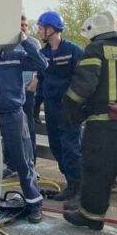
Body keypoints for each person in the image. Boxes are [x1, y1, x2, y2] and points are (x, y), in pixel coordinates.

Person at [62, 11, 117, 231]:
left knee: (97, 172)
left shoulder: (96, 50)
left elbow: (82, 87)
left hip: (103, 126)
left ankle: (92, 216)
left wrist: (69, 111)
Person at [0, 28, 48, 222]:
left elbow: (42, 63)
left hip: (11, 114)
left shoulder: (15, 55)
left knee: (23, 160)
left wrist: (24, 40)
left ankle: (34, 204)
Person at [34, 11, 84, 205]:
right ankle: (70, 184)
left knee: (72, 148)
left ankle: (78, 188)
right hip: (52, 108)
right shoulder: (43, 54)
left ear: (51, 29)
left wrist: (76, 105)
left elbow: (82, 80)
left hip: (70, 110)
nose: (38, 31)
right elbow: (41, 79)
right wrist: (36, 104)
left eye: (40, 28)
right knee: (57, 146)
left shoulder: (73, 51)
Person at [21, 14, 41, 156]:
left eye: (25, 25)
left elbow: (42, 66)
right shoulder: (9, 44)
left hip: (28, 90)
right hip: (12, 92)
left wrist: (34, 84)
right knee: (13, 129)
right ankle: (12, 163)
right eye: (21, 25)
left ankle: (32, 162)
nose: (23, 28)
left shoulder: (34, 43)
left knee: (29, 126)